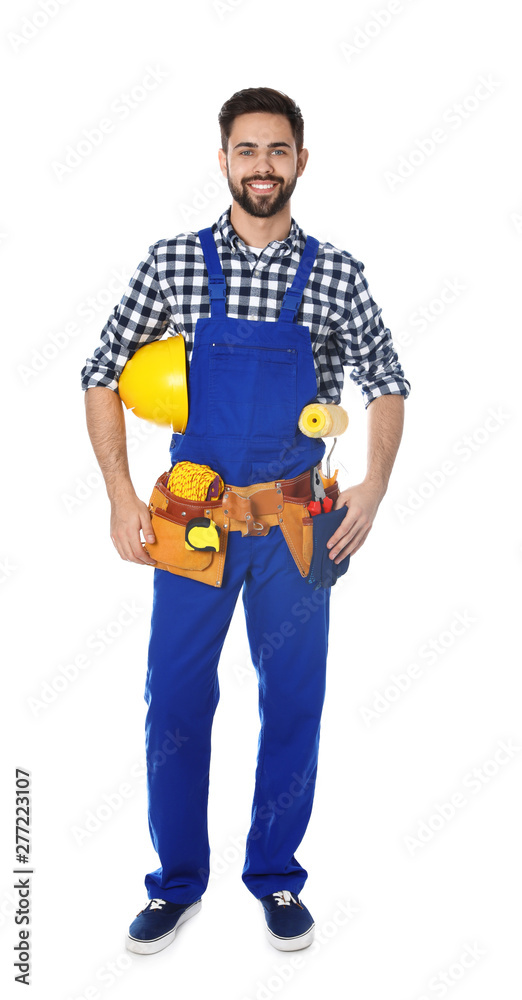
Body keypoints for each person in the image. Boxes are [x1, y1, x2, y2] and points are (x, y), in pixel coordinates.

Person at [81, 86, 411, 956]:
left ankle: (275, 876)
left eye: (277, 150)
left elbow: (388, 380)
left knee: (294, 700)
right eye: (245, 150)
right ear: (222, 158)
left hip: (301, 525)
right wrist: (120, 494)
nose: (261, 166)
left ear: (302, 160)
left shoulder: (338, 273)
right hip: (193, 523)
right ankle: (176, 882)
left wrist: (374, 483)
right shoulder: (173, 264)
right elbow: (100, 371)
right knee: (177, 704)